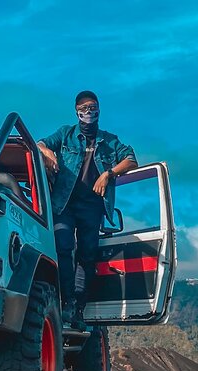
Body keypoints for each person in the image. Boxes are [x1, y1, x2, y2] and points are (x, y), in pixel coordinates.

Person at [37, 91, 138, 329]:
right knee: (63, 246)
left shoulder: (109, 140)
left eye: (92, 107)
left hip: (92, 205)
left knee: (87, 254)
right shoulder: (65, 134)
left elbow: (131, 159)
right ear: (76, 112)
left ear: (99, 109)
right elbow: (39, 144)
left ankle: (78, 307)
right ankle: (65, 300)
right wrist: (47, 151)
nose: (88, 112)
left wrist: (109, 173)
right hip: (64, 203)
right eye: (83, 108)